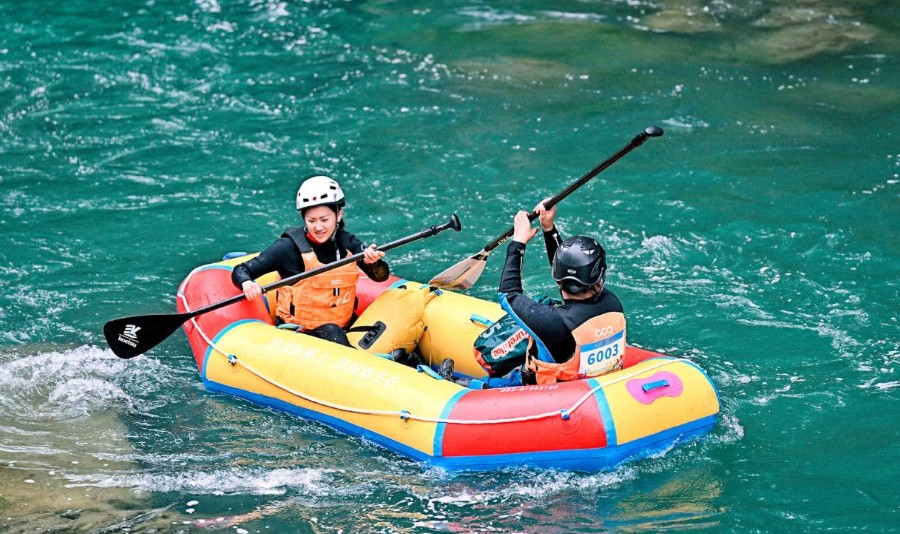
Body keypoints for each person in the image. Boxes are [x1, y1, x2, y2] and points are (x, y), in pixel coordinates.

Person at [231, 175, 390, 346]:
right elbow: (241, 269)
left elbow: (380, 277)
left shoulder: (348, 242)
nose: (318, 227)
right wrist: (246, 283)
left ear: (339, 215)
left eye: (324, 219)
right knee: (332, 331)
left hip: (344, 327)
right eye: (311, 221)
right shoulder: (287, 248)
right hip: (299, 334)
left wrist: (373, 262)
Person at [497, 201, 627, 385]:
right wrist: (549, 228)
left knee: (475, 383)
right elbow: (568, 271)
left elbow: (508, 294)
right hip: (597, 387)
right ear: (600, 278)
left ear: (558, 280)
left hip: (547, 394)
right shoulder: (612, 303)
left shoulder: (551, 323)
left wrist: (518, 243)